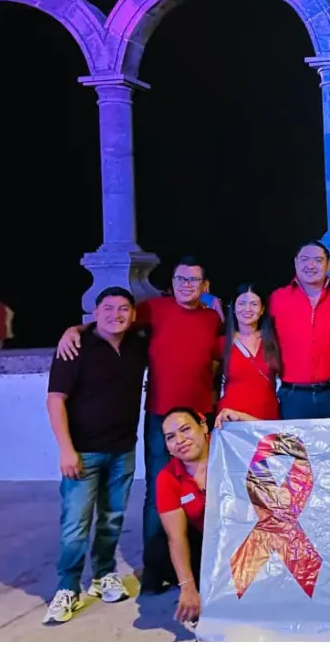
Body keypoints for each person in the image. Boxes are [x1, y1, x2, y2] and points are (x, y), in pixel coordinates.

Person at [56, 256, 221, 595]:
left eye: (193, 280)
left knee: (209, 490)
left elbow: (219, 360)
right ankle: (155, 569)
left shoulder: (212, 319)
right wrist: (75, 329)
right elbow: (113, 319)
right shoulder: (154, 310)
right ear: (171, 283)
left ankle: (205, 562)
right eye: (181, 279)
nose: (186, 285)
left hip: (201, 418)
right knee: (159, 492)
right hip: (161, 417)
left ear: (205, 286)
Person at [43, 287, 148, 625]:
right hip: (82, 453)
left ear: (133, 314)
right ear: (95, 312)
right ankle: (67, 588)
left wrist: (76, 326)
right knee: (76, 524)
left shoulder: (137, 344)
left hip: (123, 449)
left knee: (112, 517)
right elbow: (55, 400)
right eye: (108, 308)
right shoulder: (74, 347)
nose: (116, 315)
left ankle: (104, 575)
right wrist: (66, 449)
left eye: (123, 309)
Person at [157, 406, 262, 630]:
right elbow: (176, 537)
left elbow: (279, 441)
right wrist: (188, 587)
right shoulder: (167, 477)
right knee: (158, 552)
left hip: (251, 538)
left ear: (203, 426)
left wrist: (245, 419)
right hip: (210, 545)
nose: (180, 440)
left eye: (186, 429)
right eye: (170, 437)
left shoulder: (230, 446)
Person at [269, 241, 330, 419]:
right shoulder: (277, 299)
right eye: (305, 259)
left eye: (318, 260)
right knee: (292, 439)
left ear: (329, 265)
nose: (311, 265)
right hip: (293, 395)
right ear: (296, 263)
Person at [217, 285, 281, 421]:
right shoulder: (222, 343)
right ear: (233, 308)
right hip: (231, 418)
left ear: (262, 309)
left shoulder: (274, 340)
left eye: (254, 304)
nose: (247, 309)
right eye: (241, 303)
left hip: (267, 416)